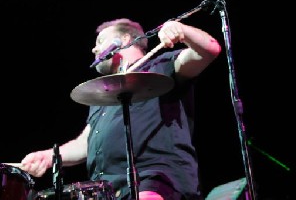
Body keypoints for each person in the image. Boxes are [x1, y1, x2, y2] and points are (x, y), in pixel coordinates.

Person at [20, 17, 222, 200]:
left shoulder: (160, 67)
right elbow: (85, 144)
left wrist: (182, 30)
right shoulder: (101, 93)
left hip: (157, 180)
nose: (94, 49)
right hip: (108, 190)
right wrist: (48, 156)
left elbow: (209, 50)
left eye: (100, 42)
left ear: (125, 40)